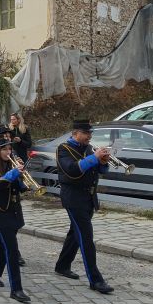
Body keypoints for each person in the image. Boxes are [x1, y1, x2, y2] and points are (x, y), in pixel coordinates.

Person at [54, 118, 114, 294]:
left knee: (75, 233)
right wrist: (94, 158)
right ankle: (95, 280)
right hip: (73, 199)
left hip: (88, 197)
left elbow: (100, 171)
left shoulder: (88, 148)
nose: (89, 136)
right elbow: (72, 170)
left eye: (90, 133)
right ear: (75, 134)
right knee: (86, 238)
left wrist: (102, 162)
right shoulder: (63, 149)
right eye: (86, 133)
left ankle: (62, 265)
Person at [0, 134, 31, 304]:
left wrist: (23, 178)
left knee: (3, 246)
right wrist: (12, 174)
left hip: (14, 210)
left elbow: (19, 188)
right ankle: (16, 289)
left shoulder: (12, 164)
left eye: (9, 148)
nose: (8, 152)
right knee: (11, 249)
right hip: (0, 211)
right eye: (4, 149)